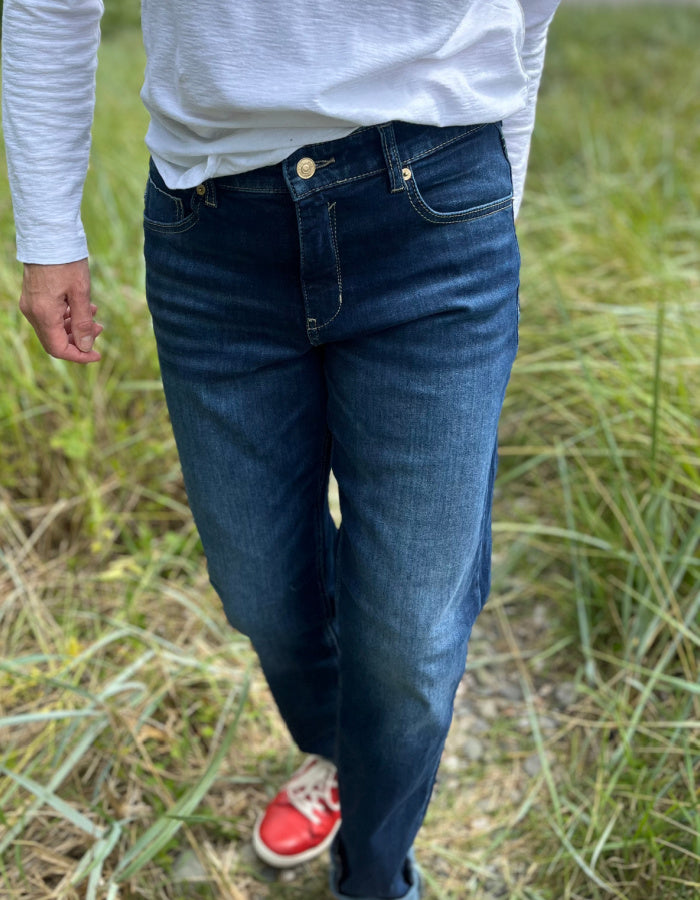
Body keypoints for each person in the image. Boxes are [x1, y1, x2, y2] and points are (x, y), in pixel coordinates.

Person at [2, 2, 560, 897]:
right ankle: (349, 750)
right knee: (259, 587)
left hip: (433, 205)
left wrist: (491, 204)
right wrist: (48, 234)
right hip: (213, 227)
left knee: (413, 637)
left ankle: (376, 876)